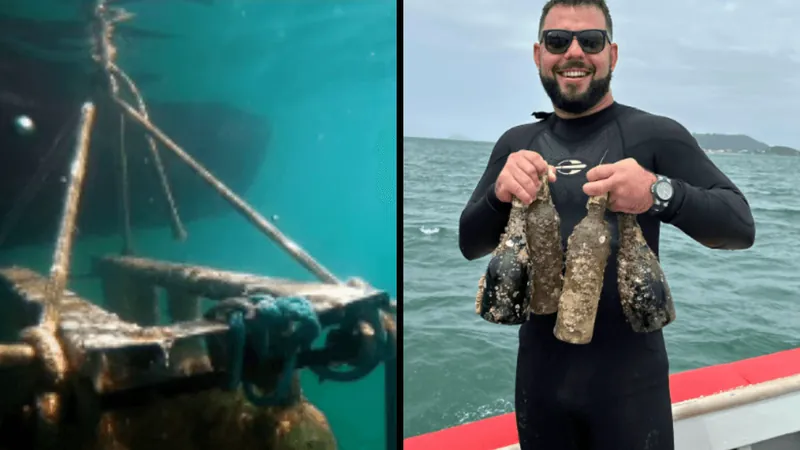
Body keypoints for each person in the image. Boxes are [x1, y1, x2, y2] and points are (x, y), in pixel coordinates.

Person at [457, 0, 756, 449]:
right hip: (539, 385)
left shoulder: (655, 135)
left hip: (631, 389)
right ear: (539, 54)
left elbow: (739, 226)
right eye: (558, 40)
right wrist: (500, 195)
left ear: (612, 54)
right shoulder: (516, 143)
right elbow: (469, 242)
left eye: (590, 41)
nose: (574, 52)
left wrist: (656, 191)